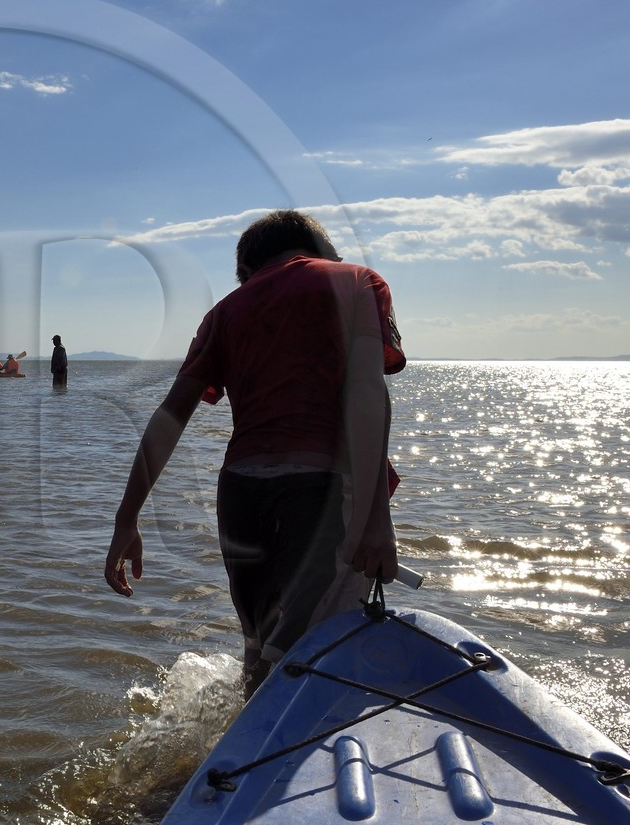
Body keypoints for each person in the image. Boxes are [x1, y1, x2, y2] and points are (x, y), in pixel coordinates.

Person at [103, 209, 406, 697]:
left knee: (259, 650)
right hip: (319, 491)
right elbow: (367, 392)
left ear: (248, 271)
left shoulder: (226, 310)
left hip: (241, 491)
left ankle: (224, 762)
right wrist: (376, 519)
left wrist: (127, 518)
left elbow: (170, 414)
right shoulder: (354, 281)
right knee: (308, 655)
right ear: (322, 251)